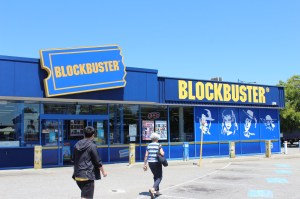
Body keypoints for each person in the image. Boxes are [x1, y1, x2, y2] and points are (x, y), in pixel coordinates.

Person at [72, 126, 107, 199]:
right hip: (87, 176)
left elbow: (74, 159)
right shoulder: (92, 146)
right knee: (86, 197)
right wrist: (103, 172)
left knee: (85, 195)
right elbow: (97, 161)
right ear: (93, 135)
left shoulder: (77, 144)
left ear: (84, 134)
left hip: (78, 175)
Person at [143, 132, 165, 199]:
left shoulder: (149, 145)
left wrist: (145, 164)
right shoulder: (159, 145)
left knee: (155, 176)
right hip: (157, 162)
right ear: (157, 139)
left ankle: (157, 191)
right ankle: (153, 189)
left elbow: (146, 155)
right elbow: (162, 153)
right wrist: (162, 153)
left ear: (152, 138)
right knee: (160, 177)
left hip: (150, 163)